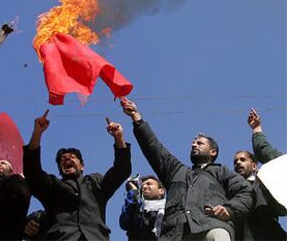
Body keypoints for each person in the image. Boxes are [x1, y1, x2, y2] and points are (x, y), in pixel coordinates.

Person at [120, 98, 253, 240]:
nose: (194, 145)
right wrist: (137, 118)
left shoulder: (221, 172)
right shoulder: (176, 171)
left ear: (213, 152)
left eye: (200, 143)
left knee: (219, 236)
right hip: (175, 234)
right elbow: (154, 148)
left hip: (210, 225)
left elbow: (245, 191)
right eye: (193, 144)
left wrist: (230, 210)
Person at [23, 111, 132, 240]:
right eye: (62, 159)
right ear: (59, 169)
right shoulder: (52, 186)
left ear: (82, 166)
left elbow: (122, 170)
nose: (67, 159)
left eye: (72, 157)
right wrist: (37, 133)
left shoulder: (95, 182)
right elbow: (32, 172)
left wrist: (119, 137)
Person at [232, 108, 286, 240]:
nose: (238, 163)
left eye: (243, 159)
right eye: (235, 161)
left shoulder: (263, 185)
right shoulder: (230, 186)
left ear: (255, 166)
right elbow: (265, 151)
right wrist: (256, 129)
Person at [119, 174, 166, 240]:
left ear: (161, 191)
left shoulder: (170, 210)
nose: (144, 187)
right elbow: (126, 222)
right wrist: (133, 191)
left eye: (149, 184)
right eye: (142, 186)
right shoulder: (139, 211)